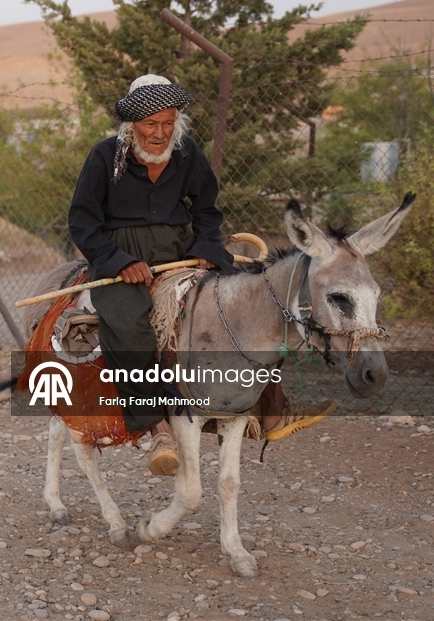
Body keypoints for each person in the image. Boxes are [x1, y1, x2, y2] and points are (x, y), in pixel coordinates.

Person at [68, 74, 334, 476]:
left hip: (181, 251)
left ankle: (269, 405)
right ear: (131, 126)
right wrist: (118, 261)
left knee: (255, 301)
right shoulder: (105, 157)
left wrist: (205, 249)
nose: (159, 133)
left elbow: (207, 210)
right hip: (122, 256)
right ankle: (156, 427)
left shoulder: (187, 153)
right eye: (150, 124)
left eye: (168, 123)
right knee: (128, 323)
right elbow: (83, 222)